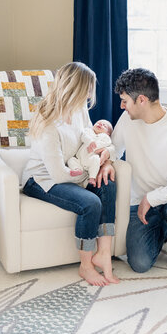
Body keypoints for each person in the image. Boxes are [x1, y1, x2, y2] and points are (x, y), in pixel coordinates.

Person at [21, 62, 119, 286]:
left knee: (108, 182)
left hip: (74, 170)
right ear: (74, 89)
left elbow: (90, 140)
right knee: (91, 203)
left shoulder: (79, 110)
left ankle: (103, 254)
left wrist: (104, 161)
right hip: (42, 180)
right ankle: (85, 266)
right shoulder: (48, 124)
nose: (88, 96)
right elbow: (58, 175)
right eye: (86, 90)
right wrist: (87, 175)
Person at [99, 67, 167, 273]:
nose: (122, 106)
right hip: (139, 202)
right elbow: (114, 149)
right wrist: (107, 160)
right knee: (139, 264)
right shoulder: (127, 120)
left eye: (125, 101)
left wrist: (151, 199)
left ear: (142, 100)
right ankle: (164, 229)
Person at [67, 119, 114, 187]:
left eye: (104, 126)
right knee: (71, 160)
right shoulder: (88, 131)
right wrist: (90, 142)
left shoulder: (105, 137)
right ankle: (77, 169)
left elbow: (105, 143)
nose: (100, 124)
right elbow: (84, 136)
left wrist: (94, 146)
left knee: (96, 159)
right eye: (98, 123)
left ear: (108, 133)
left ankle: (92, 178)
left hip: (90, 159)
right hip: (79, 158)